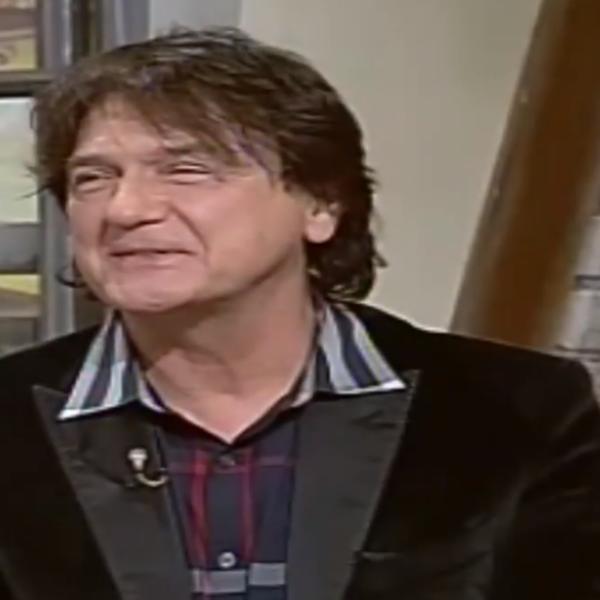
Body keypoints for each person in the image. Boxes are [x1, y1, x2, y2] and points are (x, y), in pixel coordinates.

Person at [0, 27, 598, 600]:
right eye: (93, 179)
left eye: (186, 169)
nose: (125, 208)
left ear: (321, 204)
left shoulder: (522, 411)